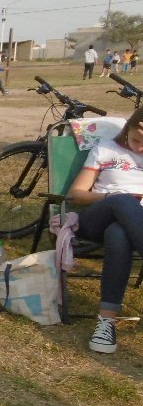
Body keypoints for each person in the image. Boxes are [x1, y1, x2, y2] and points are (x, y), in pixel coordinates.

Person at [67, 110, 143, 354]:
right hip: (98, 217)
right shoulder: (105, 150)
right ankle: (120, 201)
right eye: (137, 141)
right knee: (122, 201)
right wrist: (109, 196)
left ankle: (106, 323)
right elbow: (76, 194)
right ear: (127, 130)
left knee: (118, 233)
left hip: (134, 226)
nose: (141, 149)